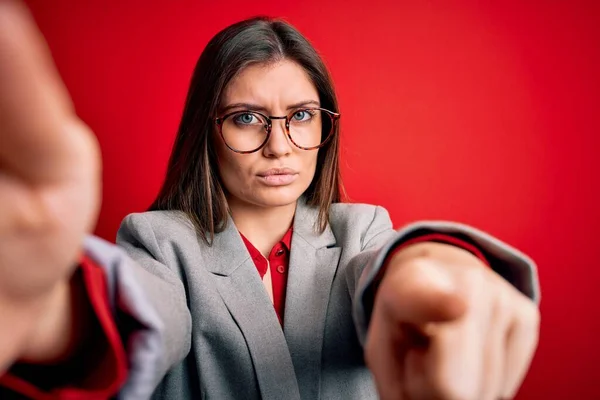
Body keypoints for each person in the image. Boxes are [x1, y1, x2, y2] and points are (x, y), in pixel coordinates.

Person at [0, 1, 540, 399]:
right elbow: (144, 311)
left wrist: (441, 266)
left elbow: (387, 273)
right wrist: (52, 313)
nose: (280, 145)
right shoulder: (160, 242)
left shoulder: (363, 230)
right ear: (206, 131)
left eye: (301, 116)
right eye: (246, 119)